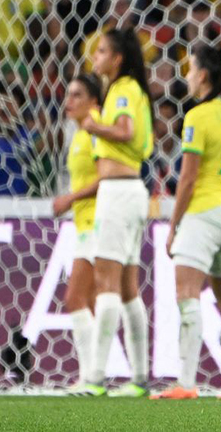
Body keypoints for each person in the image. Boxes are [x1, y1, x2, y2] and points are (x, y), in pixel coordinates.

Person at [150, 45, 221, 400]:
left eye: (191, 69)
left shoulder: (197, 117)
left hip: (203, 213)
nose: (187, 76)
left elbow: (188, 180)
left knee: (187, 295)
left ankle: (187, 384)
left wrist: (174, 225)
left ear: (204, 75)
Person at [79, 28, 154, 397]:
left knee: (105, 283)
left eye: (103, 50)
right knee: (126, 289)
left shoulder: (123, 89)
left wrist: (93, 125)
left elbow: (124, 131)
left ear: (118, 58)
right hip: (131, 193)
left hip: (118, 192)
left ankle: (94, 377)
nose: (96, 56)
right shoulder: (129, 91)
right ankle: (139, 378)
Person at [51, 74, 103, 392]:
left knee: (75, 298)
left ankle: (89, 376)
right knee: (95, 304)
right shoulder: (81, 131)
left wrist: (69, 198)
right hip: (88, 223)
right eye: (68, 94)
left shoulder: (96, 128)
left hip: (98, 223)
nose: (69, 101)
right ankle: (94, 376)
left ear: (94, 101)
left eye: (77, 95)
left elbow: (109, 175)